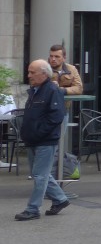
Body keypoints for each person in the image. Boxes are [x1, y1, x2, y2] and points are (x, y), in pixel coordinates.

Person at [15, 59, 70, 220]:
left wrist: (39, 132)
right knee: (40, 174)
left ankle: (33, 209)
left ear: (44, 74)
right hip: (33, 139)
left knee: (39, 175)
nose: (29, 75)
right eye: (29, 72)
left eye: (33, 72)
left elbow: (56, 117)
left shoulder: (53, 90)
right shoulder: (34, 90)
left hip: (45, 140)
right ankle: (60, 199)